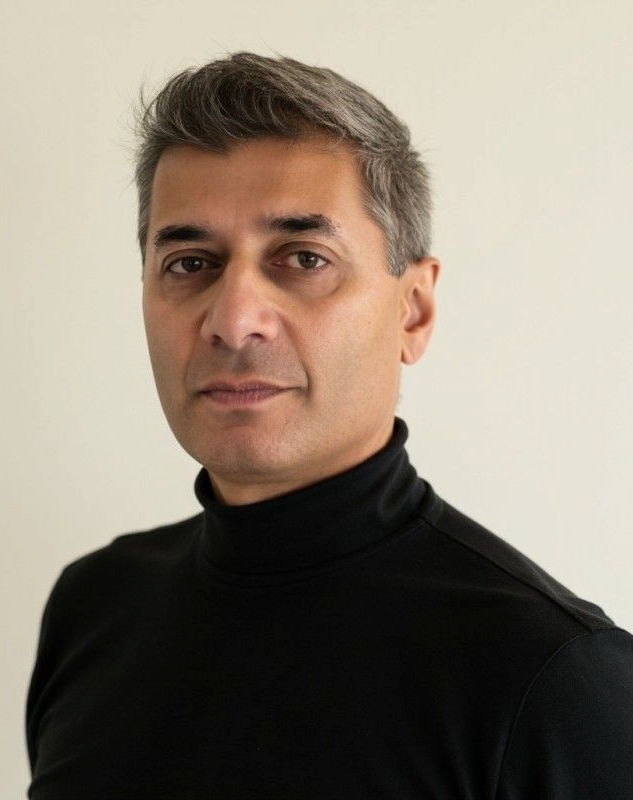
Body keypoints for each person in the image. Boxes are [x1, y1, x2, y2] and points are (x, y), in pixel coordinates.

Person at [25, 52, 633, 799]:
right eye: (189, 263)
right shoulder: (92, 608)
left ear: (413, 310)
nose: (233, 320)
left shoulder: (556, 679)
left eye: (303, 258)